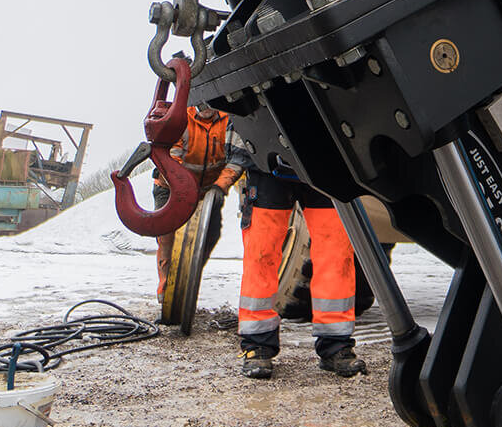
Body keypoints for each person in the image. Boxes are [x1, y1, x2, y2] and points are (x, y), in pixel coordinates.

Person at [234, 151, 367, 380]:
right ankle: (257, 345)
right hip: (265, 159)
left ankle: (336, 345)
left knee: (336, 253)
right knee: (261, 252)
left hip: (327, 159)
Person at [150, 104, 240, 316]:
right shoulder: (181, 120)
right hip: (171, 186)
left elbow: (235, 160)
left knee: (211, 233)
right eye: (202, 104)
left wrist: (221, 186)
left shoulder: (228, 122)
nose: (206, 108)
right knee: (167, 237)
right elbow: (172, 159)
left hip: (207, 191)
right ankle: (166, 290)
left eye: (210, 104)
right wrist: (183, 186)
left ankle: (188, 276)